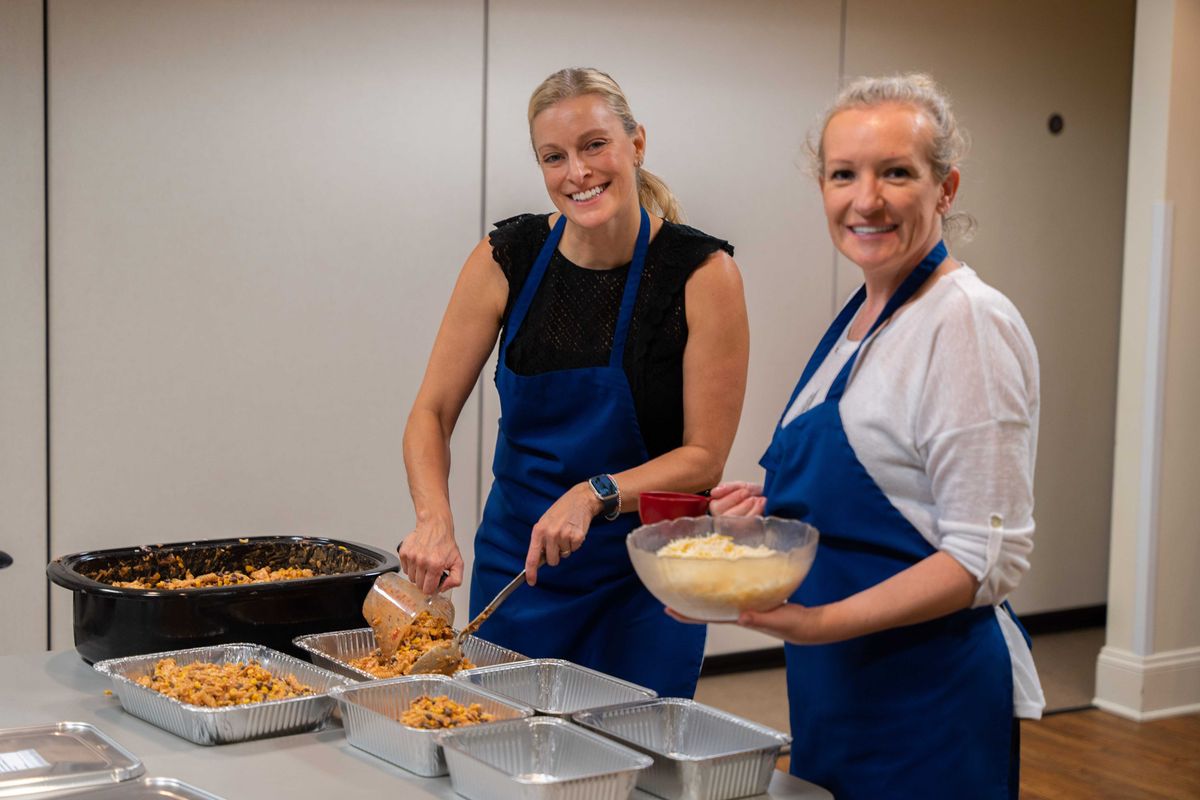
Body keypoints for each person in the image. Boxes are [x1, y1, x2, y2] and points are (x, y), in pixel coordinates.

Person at [672, 74, 1044, 798]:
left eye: (896, 173)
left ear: (946, 187)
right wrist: (776, 504)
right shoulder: (861, 321)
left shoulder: (965, 321)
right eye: (844, 174)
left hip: (927, 697)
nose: (865, 199)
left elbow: (985, 557)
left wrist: (815, 623)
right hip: (841, 687)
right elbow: (890, 486)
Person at [399, 67, 749, 698]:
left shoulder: (702, 273)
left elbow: (704, 458)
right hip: (521, 572)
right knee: (504, 757)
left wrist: (597, 493)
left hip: (649, 580)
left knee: (636, 771)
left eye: (595, 145)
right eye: (553, 157)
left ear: (636, 144)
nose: (577, 173)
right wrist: (433, 519)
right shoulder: (508, 256)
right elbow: (432, 412)